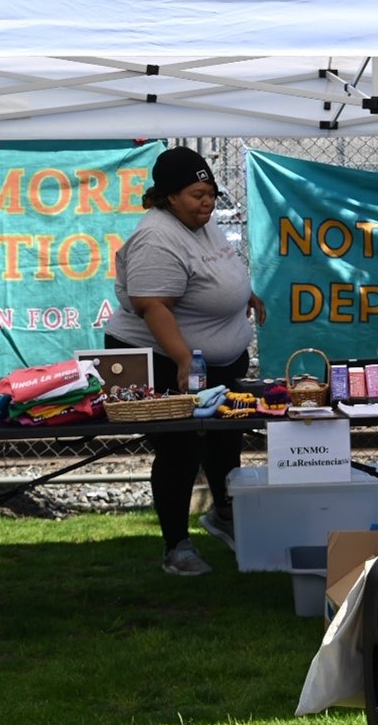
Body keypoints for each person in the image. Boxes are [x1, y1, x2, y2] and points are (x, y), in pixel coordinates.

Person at [105, 146, 266, 576]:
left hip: (216, 358)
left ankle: (223, 516)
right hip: (162, 356)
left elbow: (215, 275)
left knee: (225, 438)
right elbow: (153, 305)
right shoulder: (157, 236)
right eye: (197, 194)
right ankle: (177, 547)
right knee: (180, 448)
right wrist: (181, 359)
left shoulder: (200, 224)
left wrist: (241, 296)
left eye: (211, 192)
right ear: (169, 196)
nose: (208, 202)